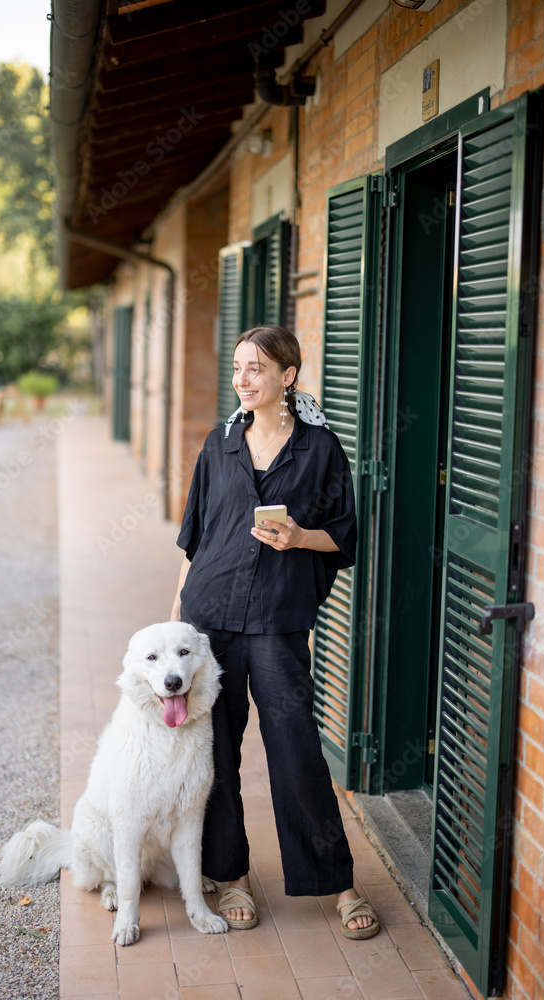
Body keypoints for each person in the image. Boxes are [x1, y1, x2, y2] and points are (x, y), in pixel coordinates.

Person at [170, 325, 379, 939]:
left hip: (279, 621)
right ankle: (230, 876)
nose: (242, 379)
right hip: (210, 619)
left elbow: (344, 536)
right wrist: (175, 619)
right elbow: (193, 537)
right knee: (217, 752)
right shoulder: (220, 444)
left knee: (297, 754)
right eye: (237, 368)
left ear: (287, 375)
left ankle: (338, 883)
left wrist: (297, 538)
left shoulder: (321, 450)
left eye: (256, 368)